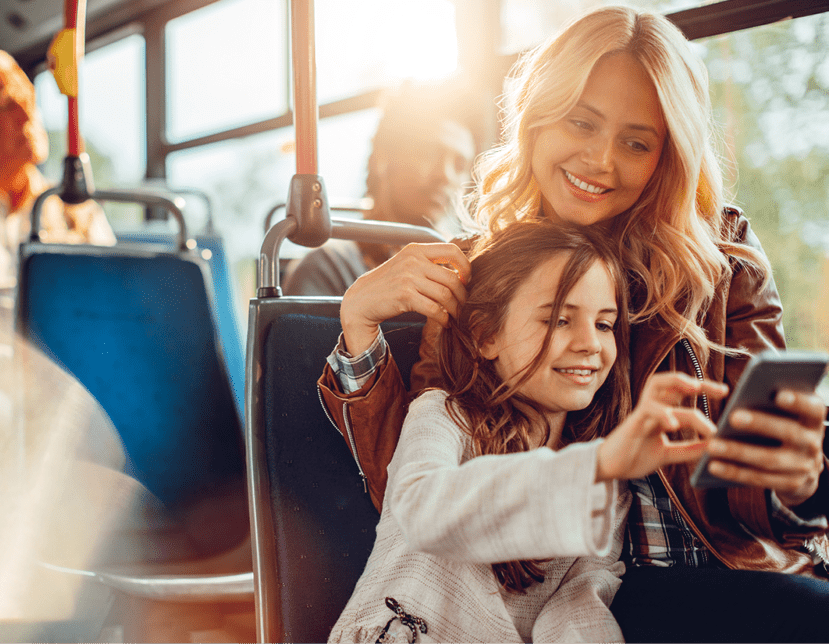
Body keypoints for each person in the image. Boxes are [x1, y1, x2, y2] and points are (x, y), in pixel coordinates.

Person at [317, 6, 829, 642]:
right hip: (589, 578)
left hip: (714, 564)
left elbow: (750, 474)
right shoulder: (484, 272)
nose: (602, 161)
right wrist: (360, 324)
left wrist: (801, 484)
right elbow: (418, 492)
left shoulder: (720, 259)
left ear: (668, 154)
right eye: (580, 122)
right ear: (537, 118)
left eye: (636, 142)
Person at [330, 221, 727, 643]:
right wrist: (599, 464)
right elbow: (423, 512)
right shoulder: (443, 416)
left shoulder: (605, 484)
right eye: (559, 320)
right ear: (486, 336)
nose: (590, 343)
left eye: (605, 324)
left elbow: (577, 608)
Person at [282, 78, 478, 296]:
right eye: (429, 154)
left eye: (460, 165)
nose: (445, 175)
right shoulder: (327, 268)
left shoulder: (463, 271)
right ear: (382, 159)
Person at [0, 47, 115, 258]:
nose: (26, 115)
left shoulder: (76, 212)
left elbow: (110, 283)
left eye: (28, 98)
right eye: (6, 104)